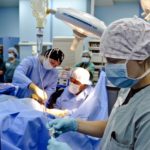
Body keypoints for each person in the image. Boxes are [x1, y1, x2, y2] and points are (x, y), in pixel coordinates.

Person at [47, 17, 150, 150]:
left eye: (113, 60)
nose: (107, 67)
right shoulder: (130, 86)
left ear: (140, 58)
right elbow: (115, 128)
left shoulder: (147, 112)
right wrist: (75, 124)